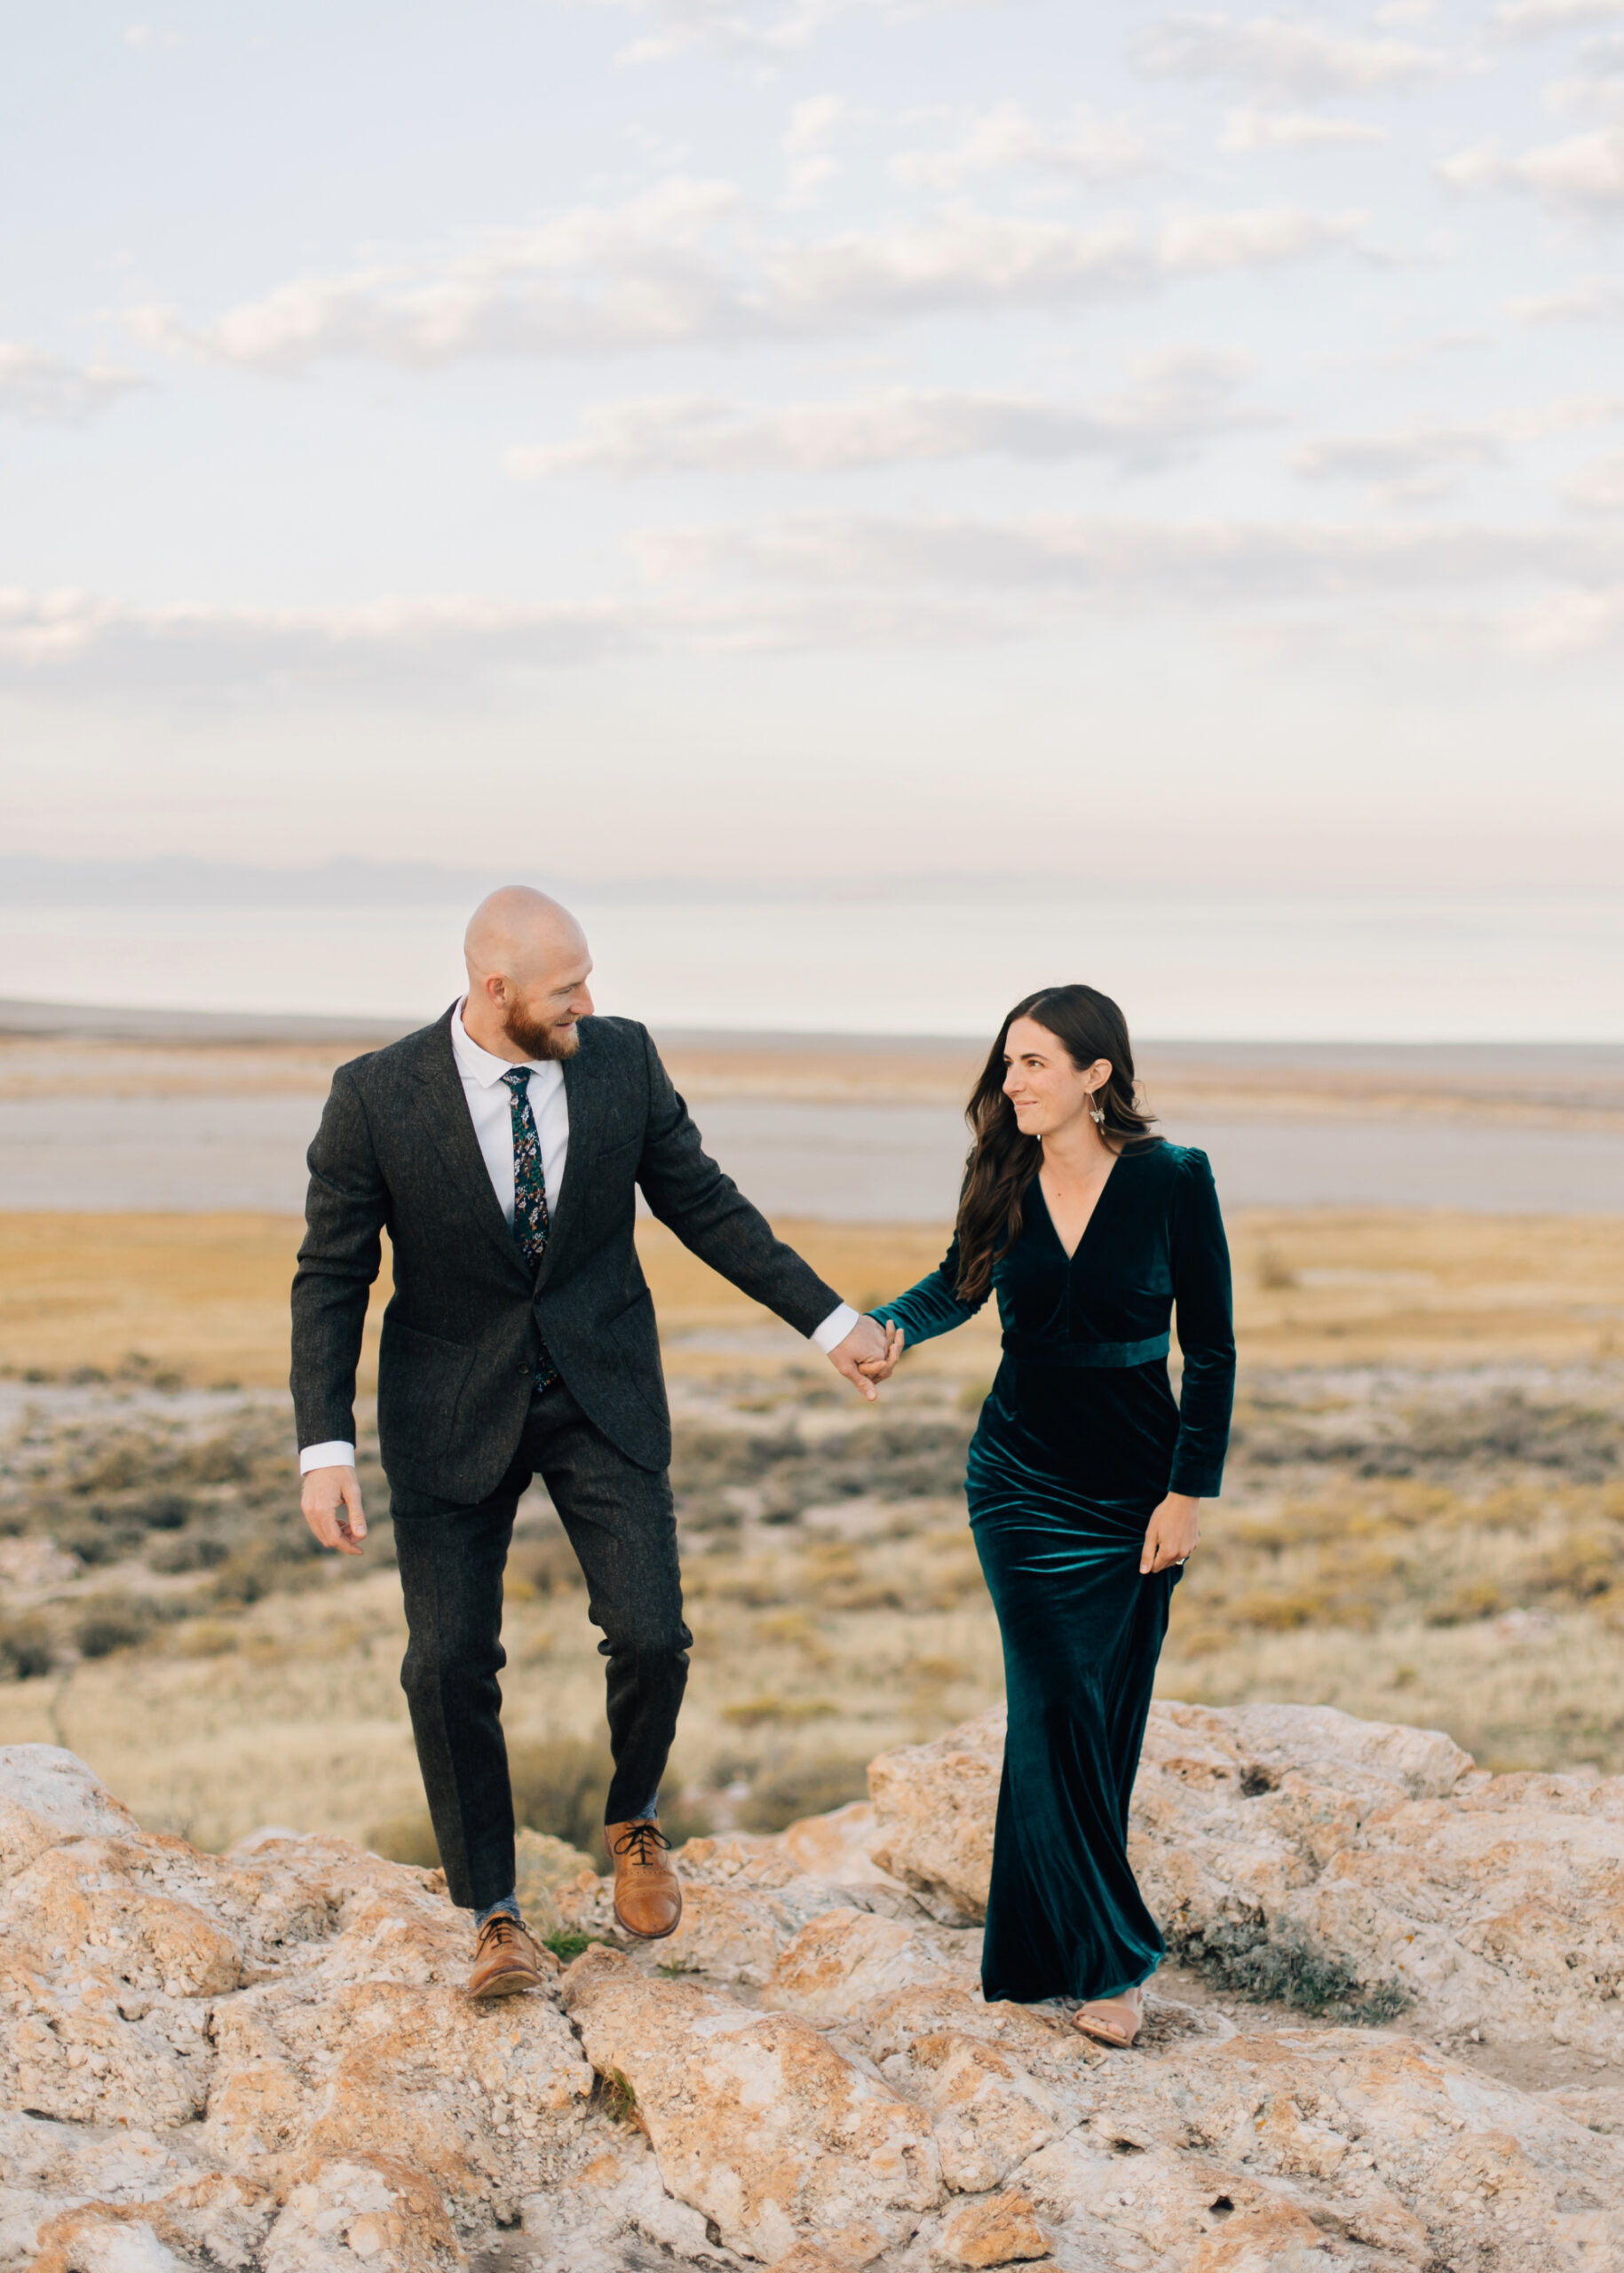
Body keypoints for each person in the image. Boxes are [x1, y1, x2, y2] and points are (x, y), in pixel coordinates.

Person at [291, 887, 891, 1999]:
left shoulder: (620, 1061)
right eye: (565, 988)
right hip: (446, 1405)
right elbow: (332, 1275)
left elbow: (702, 1203)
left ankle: (633, 1821)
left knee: (654, 1631)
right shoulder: (374, 1097)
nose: (588, 1003)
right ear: (496, 991)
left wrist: (829, 1321)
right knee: (448, 1663)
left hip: (601, 1387)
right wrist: (321, 1446)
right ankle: (495, 1913)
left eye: (588, 980)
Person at [856, 985, 1233, 2048]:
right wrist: (890, 1327)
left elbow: (1209, 1348)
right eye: (1008, 1063)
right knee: (1054, 1697)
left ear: (1094, 1073)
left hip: (1133, 1487)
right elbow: (954, 1284)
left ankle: (1037, 1952)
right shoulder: (1002, 1170)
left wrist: (1185, 1492)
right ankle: (1111, 1965)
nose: (1012, 1081)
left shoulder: (1172, 1180)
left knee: (1101, 1715)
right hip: (1019, 1477)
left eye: (1032, 1063)